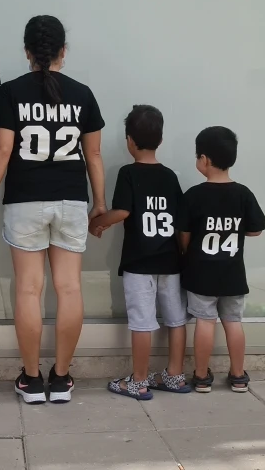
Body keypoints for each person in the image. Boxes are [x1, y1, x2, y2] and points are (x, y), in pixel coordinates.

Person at [0, 15, 106, 404]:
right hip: (71, 201)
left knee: (29, 289)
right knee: (69, 288)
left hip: (25, 201)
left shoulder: (12, 92)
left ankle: (31, 381)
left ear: (27, 52)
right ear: (64, 51)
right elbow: (93, 155)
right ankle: (61, 379)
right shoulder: (83, 94)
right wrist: (99, 203)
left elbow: (2, 149)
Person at [90, 105, 190, 400]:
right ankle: (175, 376)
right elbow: (181, 222)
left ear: (129, 141)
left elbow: (122, 211)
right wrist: (184, 252)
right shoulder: (170, 176)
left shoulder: (128, 173)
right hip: (170, 261)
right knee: (176, 319)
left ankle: (139, 381)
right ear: (160, 140)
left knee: (142, 322)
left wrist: (97, 223)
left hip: (139, 263)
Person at [178, 127, 265, 393]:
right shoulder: (243, 194)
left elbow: (184, 234)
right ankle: (238, 375)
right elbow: (256, 230)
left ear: (204, 159)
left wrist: (187, 250)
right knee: (233, 322)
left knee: (205, 322)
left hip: (201, 274)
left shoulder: (194, 195)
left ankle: (201, 377)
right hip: (232, 274)